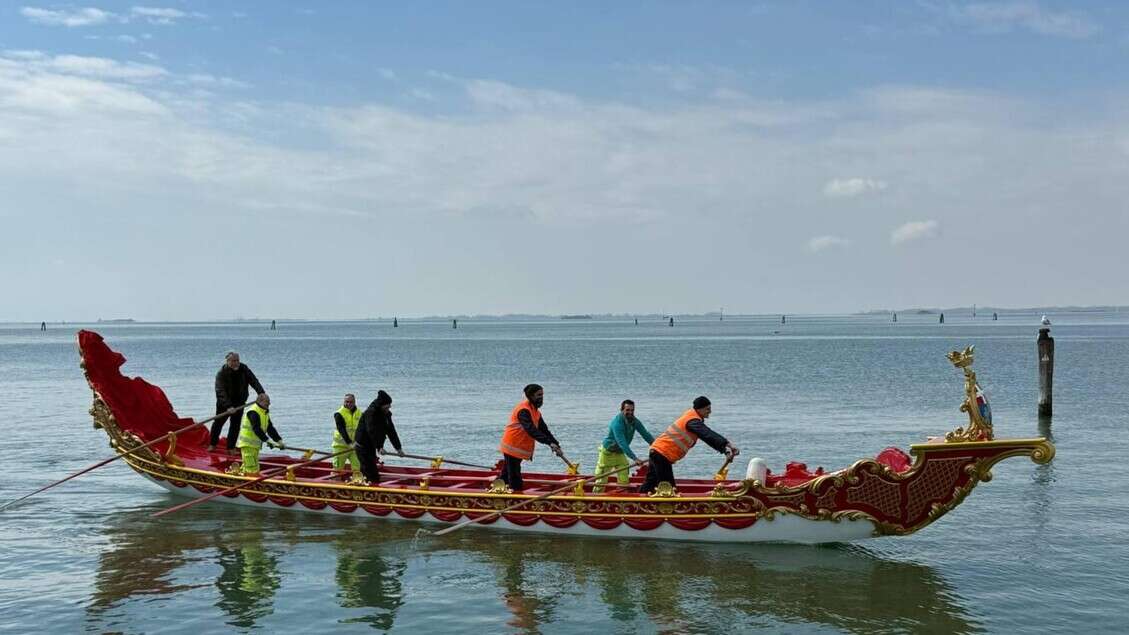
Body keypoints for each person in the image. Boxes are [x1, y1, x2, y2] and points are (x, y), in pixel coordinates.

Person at [639, 396, 739, 493]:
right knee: (669, 488)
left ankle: (638, 499)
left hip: (657, 452)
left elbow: (708, 438)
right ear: (700, 409)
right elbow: (708, 434)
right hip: (662, 454)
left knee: (651, 482)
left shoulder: (692, 419)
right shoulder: (692, 421)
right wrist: (728, 444)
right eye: (707, 409)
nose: (710, 411)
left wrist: (725, 450)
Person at [498, 384, 564, 491]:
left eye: (542, 395)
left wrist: (556, 444)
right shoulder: (523, 410)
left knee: (506, 473)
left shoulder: (535, 411)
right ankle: (516, 497)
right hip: (512, 446)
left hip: (518, 448)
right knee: (514, 476)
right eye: (538, 395)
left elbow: (544, 430)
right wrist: (549, 443)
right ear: (531, 396)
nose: (541, 397)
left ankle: (495, 490)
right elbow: (531, 430)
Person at [592, 399, 654, 493]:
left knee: (624, 478)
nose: (630, 412)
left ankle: (622, 497)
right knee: (601, 480)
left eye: (632, 410)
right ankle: (595, 498)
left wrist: (656, 446)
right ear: (622, 410)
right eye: (627, 410)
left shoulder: (634, 421)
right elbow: (622, 443)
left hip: (620, 453)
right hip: (608, 453)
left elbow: (645, 434)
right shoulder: (617, 423)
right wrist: (635, 458)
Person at [211, 351, 266, 453]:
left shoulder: (244, 369)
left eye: (237, 360)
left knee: (235, 425)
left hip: (239, 402)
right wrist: (228, 406)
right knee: (218, 423)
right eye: (233, 361)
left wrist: (261, 392)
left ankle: (230, 447)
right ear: (228, 361)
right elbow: (220, 391)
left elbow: (253, 380)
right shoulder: (221, 373)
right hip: (224, 403)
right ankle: (212, 444)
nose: (236, 363)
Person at [354, 390, 403, 484]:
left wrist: (398, 448)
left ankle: (371, 484)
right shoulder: (370, 413)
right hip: (362, 446)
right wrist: (379, 446)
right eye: (387, 405)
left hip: (372, 446)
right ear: (381, 404)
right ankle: (368, 490)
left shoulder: (386, 414)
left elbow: (391, 431)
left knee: (372, 471)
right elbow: (371, 431)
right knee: (369, 472)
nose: (389, 407)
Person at [235, 394, 286, 476]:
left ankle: (241, 474)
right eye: (267, 402)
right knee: (251, 467)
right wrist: (267, 440)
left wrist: (279, 440)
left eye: (269, 402)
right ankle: (250, 482)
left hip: (255, 445)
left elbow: (270, 428)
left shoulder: (264, 412)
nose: (269, 404)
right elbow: (256, 429)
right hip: (247, 445)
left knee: (253, 466)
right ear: (260, 401)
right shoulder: (253, 412)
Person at [332, 394, 363, 474]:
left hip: (354, 446)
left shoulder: (359, 413)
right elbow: (341, 429)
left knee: (357, 468)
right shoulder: (339, 414)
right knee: (337, 470)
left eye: (351, 402)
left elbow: (363, 429)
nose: (349, 404)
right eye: (347, 402)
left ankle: (357, 483)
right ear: (344, 402)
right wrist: (349, 443)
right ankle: (334, 484)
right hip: (340, 447)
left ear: (355, 402)